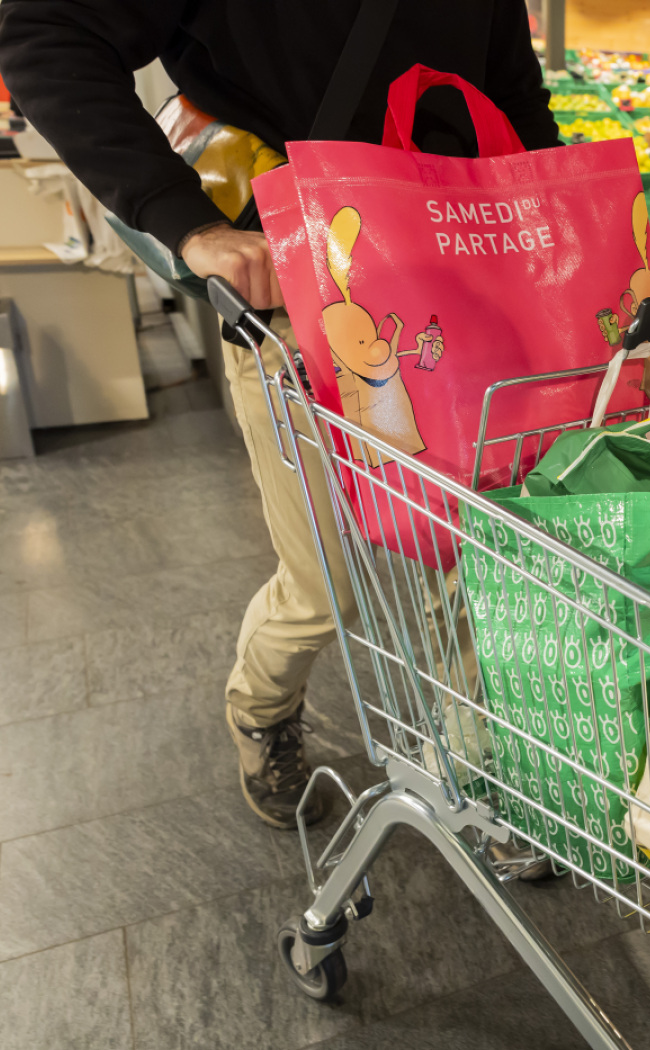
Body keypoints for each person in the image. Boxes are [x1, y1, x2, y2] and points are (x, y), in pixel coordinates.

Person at [0, 0, 559, 831]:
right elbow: (47, 34)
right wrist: (184, 220)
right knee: (328, 582)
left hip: (469, 283)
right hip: (298, 293)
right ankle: (261, 707)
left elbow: (510, 89)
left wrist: (573, 230)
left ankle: (473, 766)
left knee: (480, 553)